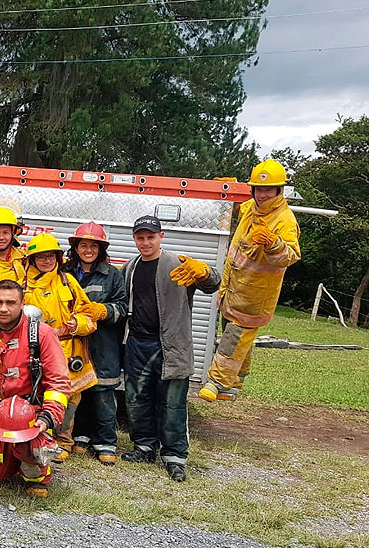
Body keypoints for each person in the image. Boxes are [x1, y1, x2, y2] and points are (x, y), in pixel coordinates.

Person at [121, 215, 221, 482]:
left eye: (150, 237)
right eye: (140, 238)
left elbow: (213, 284)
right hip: (137, 343)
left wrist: (205, 272)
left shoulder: (179, 264)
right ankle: (143, 447)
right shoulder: (130, 267)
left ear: (161, 237)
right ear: (134, 239)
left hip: (171, 345)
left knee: (173, 404)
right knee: (136, 399)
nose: (145, 242)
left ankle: (175, 457)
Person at [200, 159, 301, 403]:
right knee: (234, 332)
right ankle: (237, 378)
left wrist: (273, 244)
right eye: (259, 189)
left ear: (279, 190)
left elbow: (291, 255)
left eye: (269, 190)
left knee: (233, 337)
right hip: (233, 290)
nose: (263, 195)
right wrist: (229, 193)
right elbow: (239, 209)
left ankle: (217, 382)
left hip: (255, 297)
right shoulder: (250, 208)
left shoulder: (284, 220)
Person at [0, 279, 71, 498]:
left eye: (11, 302)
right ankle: (7, 460)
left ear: (22, 303)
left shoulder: (41, 334)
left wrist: (49, 417)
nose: (3, 308)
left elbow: (58, 381)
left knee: (28, 451)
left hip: (28, 413)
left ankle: (35, 475)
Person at [22, 233, 102, 464]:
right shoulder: (23, 285)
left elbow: (88, 315)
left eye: (51, 256)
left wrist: (76, 325)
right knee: (37, 395)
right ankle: (40, 437)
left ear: (58, 257)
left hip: (68, 349)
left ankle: (64, 440)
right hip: (35, 351)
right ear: (32, 260)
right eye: (41, 257)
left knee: (70, 399)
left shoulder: (67, 282)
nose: (46, 261)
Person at [65, 222, 127, 466]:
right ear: (76, 248)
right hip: (73, 342)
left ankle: (106, 443)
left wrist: (104, 310)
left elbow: (123, 308)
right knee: (77, 391)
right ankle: (80, 436)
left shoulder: (112, 275)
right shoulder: (65, 272)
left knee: (102, 392)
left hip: (103, 344)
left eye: (93, 246)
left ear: (101, 249)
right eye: (83, 245)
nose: (88, 250)